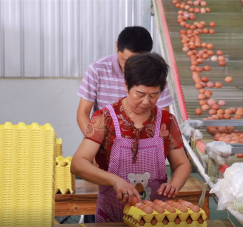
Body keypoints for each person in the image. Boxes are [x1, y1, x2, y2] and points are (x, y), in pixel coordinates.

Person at [71, 53, 191, 223]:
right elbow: (78, 164)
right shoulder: (105, 118)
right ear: (127, 86)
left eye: (154, 95)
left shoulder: (166, 121)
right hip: (112, 217)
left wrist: (174, 185)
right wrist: (114, 181)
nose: (146, 102)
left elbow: (182, 163)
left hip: (154, 218)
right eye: (140, 94)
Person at [76, 26, 173, 135]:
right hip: (104, 139)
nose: (128, 67)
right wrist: (96, 142)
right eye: (125, 60)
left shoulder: (155, 74)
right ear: (117, 46)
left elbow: (163, 119)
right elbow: (83, 113)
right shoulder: (97, 69)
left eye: (136, 62)